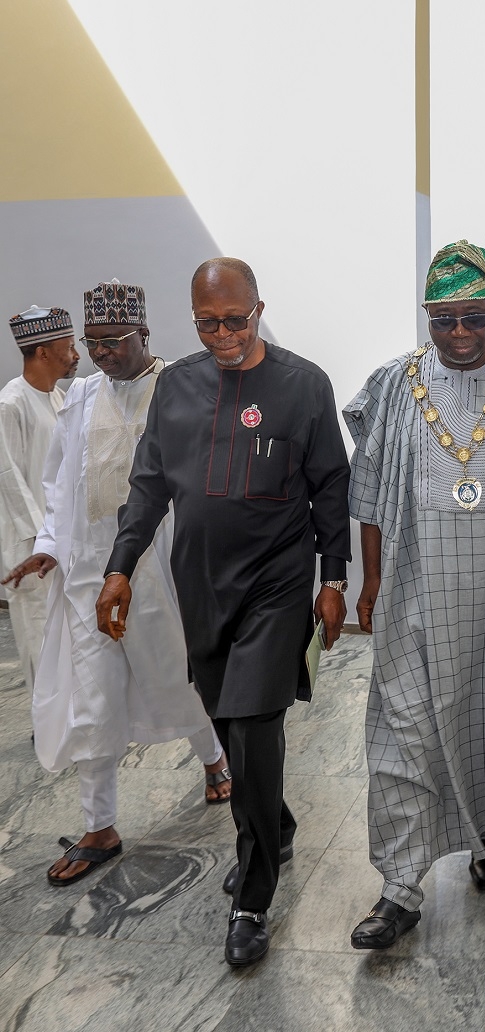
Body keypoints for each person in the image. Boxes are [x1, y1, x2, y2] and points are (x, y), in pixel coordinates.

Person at [95, 258, 352, 968]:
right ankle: (279, 820)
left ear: (259, 309)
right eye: (207, 323)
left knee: (256, 725)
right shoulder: (176, 386)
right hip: (201, 587)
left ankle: (253, 899)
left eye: (235, 319)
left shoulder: (303, 386)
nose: (223, 335)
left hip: (276, 584)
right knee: (232, 725)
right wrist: (120, 566)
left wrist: (335, 579)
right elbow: (147, 485)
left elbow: (331, 485)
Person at [344, 239, 485, 950]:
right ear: (427, 316)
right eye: (443, 320)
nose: (459, 334)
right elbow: (371, 495)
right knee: (403, 733)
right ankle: (400, 887)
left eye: (472, 317)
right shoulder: (394, 383)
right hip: (417, 593)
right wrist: (372, 582)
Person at [2, 280, 229, 889]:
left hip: (162, 568)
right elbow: (60, 481)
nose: (101, 353)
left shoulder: (180, 387)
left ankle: (213, 759)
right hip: (88, 572)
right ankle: (99, 825)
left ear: (144, 334)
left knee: (177, 674)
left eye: (114, 341)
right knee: (92, 699)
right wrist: (49, 545)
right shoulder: (79, 398)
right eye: (93, 342)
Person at [0, 306, 78, 696]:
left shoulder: (58, 398)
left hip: (56, 539)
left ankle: (62, 715)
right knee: (36, 635)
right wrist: (39, 537)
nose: (76, 353)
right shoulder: (10, 404)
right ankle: (41, 723)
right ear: (43, 352)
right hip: (27, 543)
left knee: (62, 633)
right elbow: (8, 477)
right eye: (69, 346)